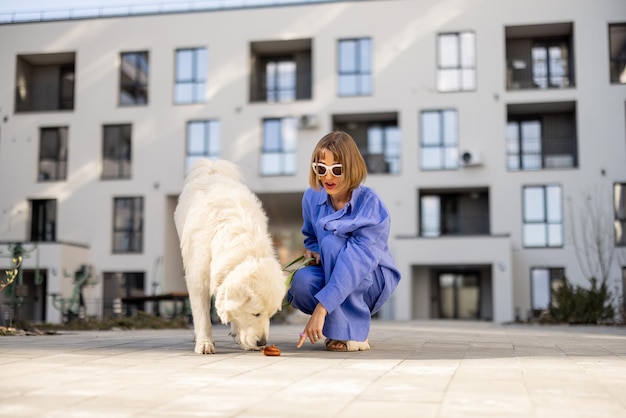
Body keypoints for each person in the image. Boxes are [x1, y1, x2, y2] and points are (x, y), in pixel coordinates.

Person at [290, 131, 401, 352]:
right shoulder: (312, 197)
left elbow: (355, 263)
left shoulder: (372, 205)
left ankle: (350, 333)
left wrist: (321, 309)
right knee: (302, 283)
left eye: (336, 170)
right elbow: (311, 236)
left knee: (332, 243)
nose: (328, 177)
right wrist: (313, 251)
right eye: (321, 169)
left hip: (372, 278)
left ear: (351, 168)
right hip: (336, 272)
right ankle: (340, 325)